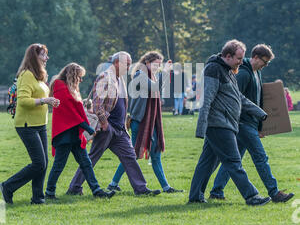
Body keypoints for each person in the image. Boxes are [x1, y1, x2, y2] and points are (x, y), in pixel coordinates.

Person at [188, 39, 271, 206]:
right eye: (239, 58)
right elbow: (207, 99)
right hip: (219, 125)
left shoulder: (229, 71)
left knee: (206, 163)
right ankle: (251, 196)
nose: (241, 62)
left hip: (225, 124)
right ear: (227, 56)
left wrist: (260, 113)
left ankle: (195, 196)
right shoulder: (214, 69)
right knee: (234, 162)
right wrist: (201, 128)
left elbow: (239, 98)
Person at [66, 52, 161, 196]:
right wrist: (104, 123)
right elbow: (98, 104)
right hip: (108, 127)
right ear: (116, 63)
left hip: (119, 129)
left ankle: (141, 189)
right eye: (126, 63)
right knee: (92, 158)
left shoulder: (119, 78)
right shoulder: (105, 77)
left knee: (129, 156)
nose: (129, 66)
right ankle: (74, 188)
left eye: (130, 63)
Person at [210, 45, 294, 203]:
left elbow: (259, 100)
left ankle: (217, 190)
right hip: (243, 123)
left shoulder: (257, 72)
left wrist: (260, 127)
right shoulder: (243, 73)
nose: (265, 65)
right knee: (261, 157)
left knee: (234, 160)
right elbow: (234, 99)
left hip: (251, 123)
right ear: (255, 57)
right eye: (265, 61)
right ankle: (274, 192)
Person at [107, 51, 183, 193]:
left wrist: (164, 73)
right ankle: (112, 183)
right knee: (132, 155)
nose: (157, 67)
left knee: (155, 154)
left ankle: (166, 187)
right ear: (147, 63)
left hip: (152, 121)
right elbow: (154, 87)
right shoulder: (139, 75)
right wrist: (165, 72)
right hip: (140, 121)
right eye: (155, 64)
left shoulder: (152, 76)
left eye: (159, 65)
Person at [0, 43, 60, 205]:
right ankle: (7, 187)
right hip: (26, 125)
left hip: (40, 124)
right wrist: (45, 100)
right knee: (39, 163)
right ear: (35, 57)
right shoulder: (26, 75)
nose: (47, 58)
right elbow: (24, 101)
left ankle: (38, 198)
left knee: (43, 163)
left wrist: (50, 98)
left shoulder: (38, 76)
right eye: (43, 55)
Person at [45, 63, 114, 200]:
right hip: (65, 133)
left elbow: (76, 110)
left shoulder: (71, 88)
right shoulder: (60, 85)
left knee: (86, 163)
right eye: (79, 77)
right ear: (72, 75)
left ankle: (97, 190)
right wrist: (88, 127)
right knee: (59, 165)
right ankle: (49, 192)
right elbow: (69, 112)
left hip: (74, 133)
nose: (81, 80)